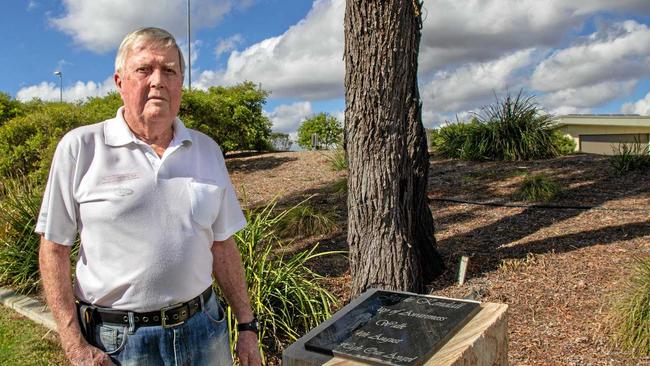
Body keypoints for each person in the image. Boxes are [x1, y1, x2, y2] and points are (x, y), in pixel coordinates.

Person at [37, 27, 261, 366]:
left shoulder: (207, 150)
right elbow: (53, 249)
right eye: (144, 69)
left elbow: (222, 245)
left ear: (180, 85)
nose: (158, 80)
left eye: (169, 70)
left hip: (205, 330)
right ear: (120, 81)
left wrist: (246, 326)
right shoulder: (81, 147)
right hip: (120, 345)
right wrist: (74, 346)